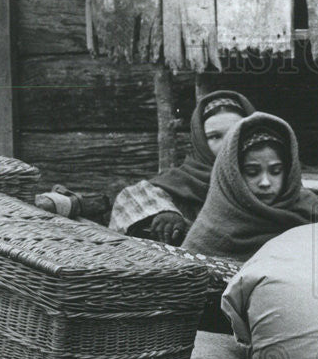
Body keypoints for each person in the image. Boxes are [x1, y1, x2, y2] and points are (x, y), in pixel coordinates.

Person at [108, 90, 255, 244]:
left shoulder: (264, 180)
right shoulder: (183, 180)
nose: (227, 144)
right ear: (201, 141)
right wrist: (164, 211)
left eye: (235, 133)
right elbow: (131, 198)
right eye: (215, 136)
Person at [180, 112, 318, 258]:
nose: (265, 183)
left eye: (275, 171)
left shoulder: (312, 211)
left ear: (288, 172)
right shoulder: (212, 233)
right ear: (233, 175)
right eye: (252, 172)